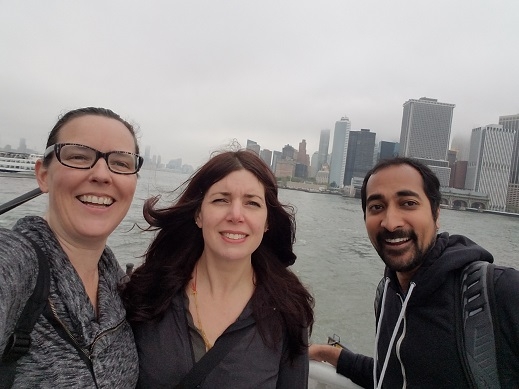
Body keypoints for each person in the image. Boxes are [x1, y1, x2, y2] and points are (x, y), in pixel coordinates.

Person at [309, 157, 519, 388]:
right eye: (376, 207)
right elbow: (394, 374)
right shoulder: (389, 293)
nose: (390, 223)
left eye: (408, 203)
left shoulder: (499, 291)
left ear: (436, 214)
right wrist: (333, 355)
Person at [122, 149, 314, 388]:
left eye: (252, 203)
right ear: (199, 215)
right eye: (221, 200)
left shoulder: (288, 309)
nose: (236, 215)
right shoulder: (147, 293)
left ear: (267, 222)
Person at [0, 107, 142, 387]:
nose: (102, 174)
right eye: (78, 156)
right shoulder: (15, 263)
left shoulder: (119, 288)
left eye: (121, 163)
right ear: (43, 175)